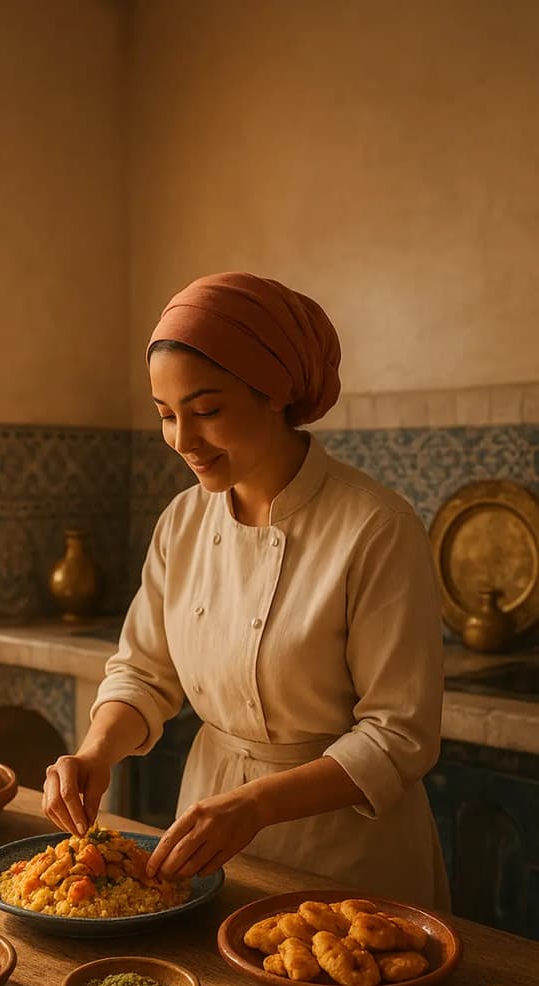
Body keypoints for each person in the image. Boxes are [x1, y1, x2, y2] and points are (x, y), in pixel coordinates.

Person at [42, 272, 449, 909]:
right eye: (166, 416)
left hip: (348, 857)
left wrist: (256, 805)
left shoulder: (376, 526)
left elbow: (398, 736)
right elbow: (144, 673)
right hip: (208, 832)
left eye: (206, 411)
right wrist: (96, 752)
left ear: (277, 394)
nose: (182, 440)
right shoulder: (182, 520)